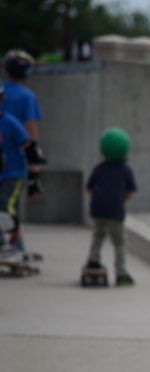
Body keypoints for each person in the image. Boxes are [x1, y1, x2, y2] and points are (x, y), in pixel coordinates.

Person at [1, 50, 44, 255]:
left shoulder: (3, 92)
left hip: (7, 163)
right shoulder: (27, 96)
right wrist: (34, 171)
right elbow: (31, 132)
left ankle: (11, 244)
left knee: (6, 206)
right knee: (11, 207)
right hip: (14, 165)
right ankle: (15, 244)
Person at [84, 127, 137, 285]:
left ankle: (93, 260)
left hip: (98, 209)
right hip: (115, 210)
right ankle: (121, 273)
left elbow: (89, 188)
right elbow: (130, 191)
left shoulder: (99, 168)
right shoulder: (125, 170)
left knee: (98, 235)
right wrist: (120, 200)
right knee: (119, 242)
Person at [0, 82, 31, 260]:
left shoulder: (10, 122)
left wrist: (34, 173)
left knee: (6, 207)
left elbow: (28, 145)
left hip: (13, 173)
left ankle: (16, 245)